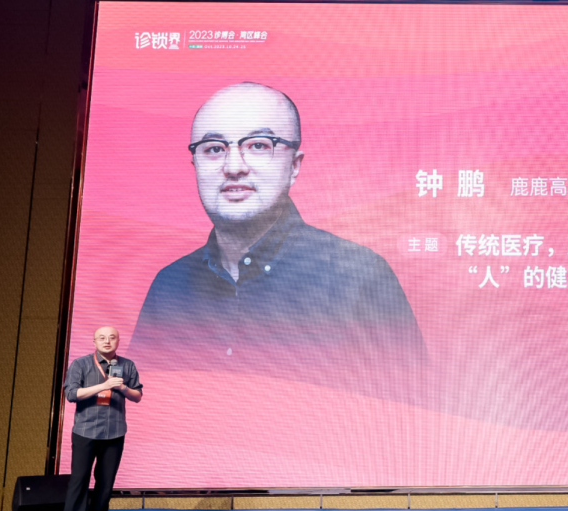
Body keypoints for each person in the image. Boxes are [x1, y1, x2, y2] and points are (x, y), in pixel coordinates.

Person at [129, 82, 424, 397]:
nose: (233, 167)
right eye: (214, 149)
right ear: (195, 165)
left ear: (294, 166)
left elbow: (409, 414)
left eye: (258, 145)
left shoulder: (360, 276)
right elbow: (137, 409)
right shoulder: (169, 284)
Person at [56, 327, 143, 511]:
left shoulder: (127, 365)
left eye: (112, 337)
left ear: (118, 341)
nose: (107, 341)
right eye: (102, 338)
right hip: (85, 431)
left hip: (115, 432)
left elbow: (137, 396)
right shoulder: (81, 364)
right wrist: (103, 386)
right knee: (79, 482)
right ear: (94, 341)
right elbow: (71, 394)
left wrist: (121, 387)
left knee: (105, 484)